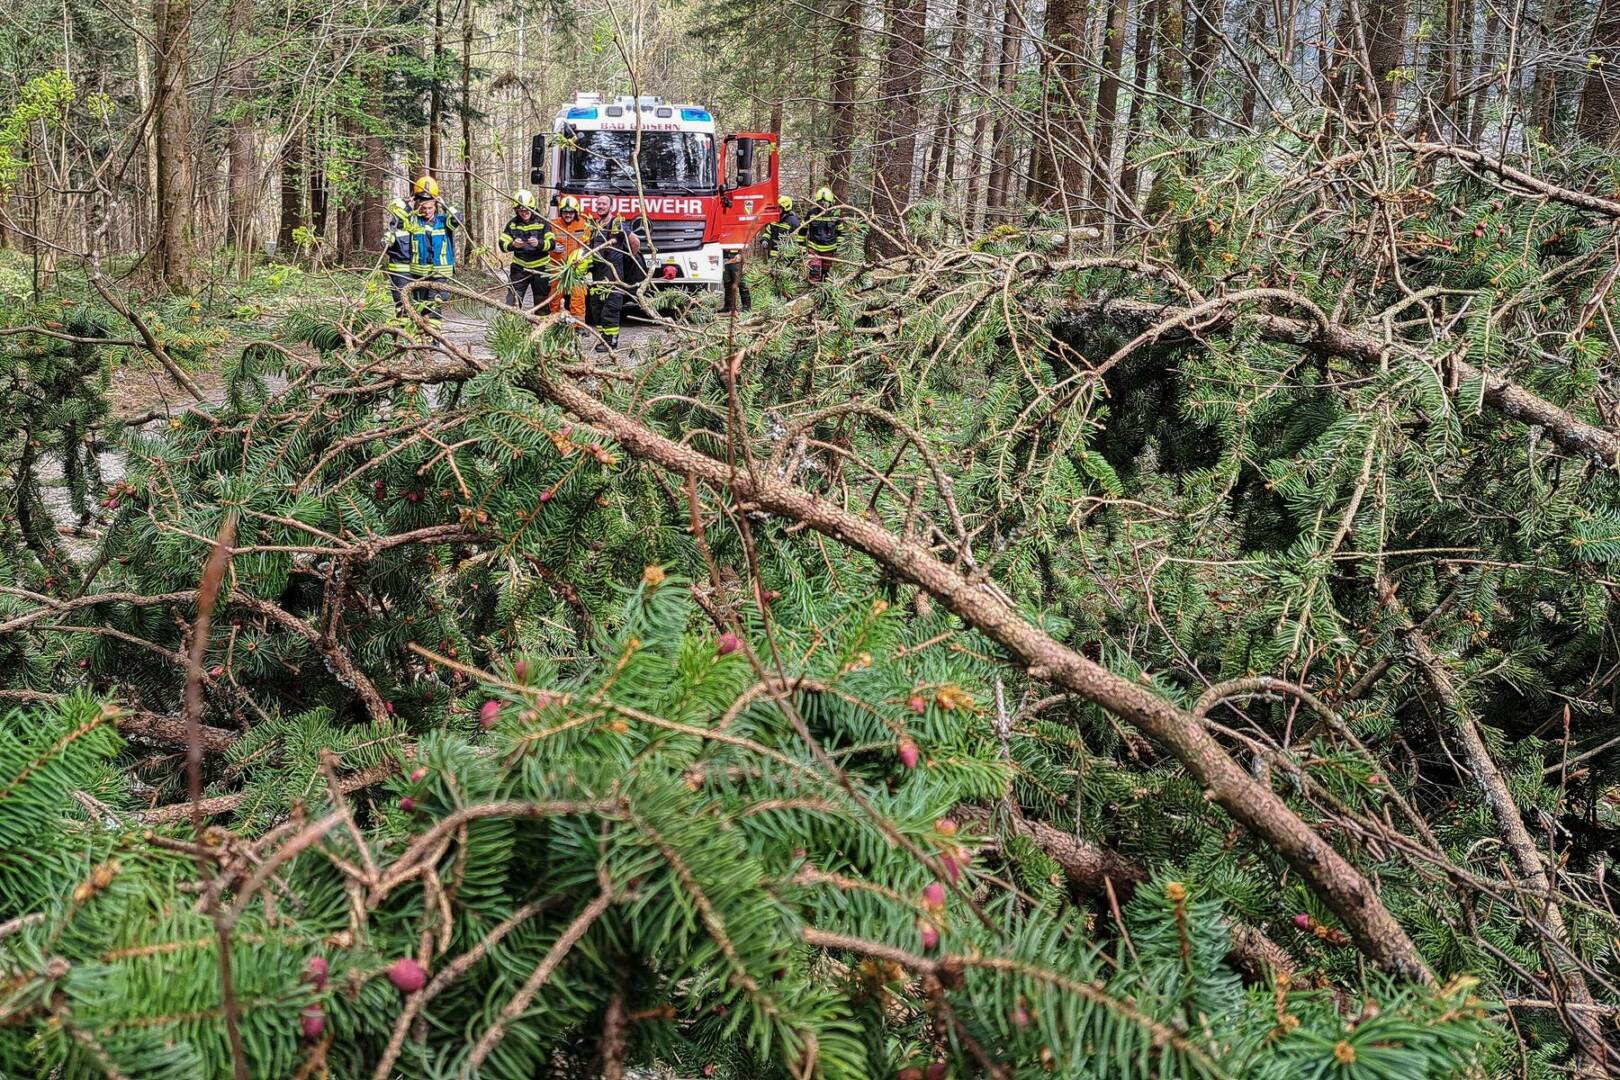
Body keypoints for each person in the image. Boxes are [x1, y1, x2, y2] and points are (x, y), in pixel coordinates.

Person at [405, 176, 462, 328]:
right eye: (423, 208)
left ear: (435, 206)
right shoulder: (414, 221)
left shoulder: (444, 221)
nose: (427, 211)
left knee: (433, 309)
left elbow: (458, 218)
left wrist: (445, 204)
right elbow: (397, 223)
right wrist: (407, 206)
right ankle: (422, 342)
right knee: (420, 309)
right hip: (418, 274)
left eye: (430, 208)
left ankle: (434, 342)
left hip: (440, 274)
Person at [587, 208, 641, 352]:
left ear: (610, 207)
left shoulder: (617, 223)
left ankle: (612, 341)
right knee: (596, 306)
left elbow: (635, 241)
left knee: (611, 306)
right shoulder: (595, 224)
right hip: (597, 271)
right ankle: (604, 337)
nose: (601, 206)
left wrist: (630, 258)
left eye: (604, 203)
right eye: (599, 203)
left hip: (613, 272)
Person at [500, 190, 552, 312]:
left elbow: (552, 244)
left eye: (526, 210)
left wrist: (539, 244)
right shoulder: (512, 224)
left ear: (532, 207)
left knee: (542, 301)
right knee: (512, 300)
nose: (524, 213)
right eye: (520, 210)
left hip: (541, 268)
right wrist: (513, 245)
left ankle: (541, 328)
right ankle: (510, 328)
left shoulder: (542, 222)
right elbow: (502, 244)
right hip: (519, 268)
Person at [547, 195, 593, 320]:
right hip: (557, 267)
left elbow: (589, 245)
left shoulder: (584, 224)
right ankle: (555, 323)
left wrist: (584, 257)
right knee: (555, 297)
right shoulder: (553, 224)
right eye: (565, 212)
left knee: (578, 296)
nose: (568, 215)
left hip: (576, 268)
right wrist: (552, 246)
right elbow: (546, 241)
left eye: (571, 212)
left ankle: (578, 326)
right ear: (561, 212)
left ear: (576, 212)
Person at [381, 198, 420, 322]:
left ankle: (417, 330)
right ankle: (403, 330)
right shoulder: (393, 232)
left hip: (416, 272)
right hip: (399, 274)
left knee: (417, 304)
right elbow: (385, 243)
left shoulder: (414, 227)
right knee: (401, 304)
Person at [801, 186, 841, 283]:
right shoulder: (812, 214)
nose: (823, 205)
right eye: (820, 203)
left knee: (825, 273)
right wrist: (800, 244)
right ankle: (812, 290)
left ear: (831, 202)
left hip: (830, 249)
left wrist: (839, 246)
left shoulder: (835, 215)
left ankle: (823, 290)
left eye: (825, 203)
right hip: (814, 248)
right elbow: (802, 229)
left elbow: (840, 232)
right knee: (814, 271)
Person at [762, 196, 801, 261]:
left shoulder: (794, 222)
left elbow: (797, 240)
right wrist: (765, 240)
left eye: (779, 208)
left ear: (786, 208)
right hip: (773, 254)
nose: (777, 210)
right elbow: (768, 232)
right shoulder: (773, 219)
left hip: (787, 257)